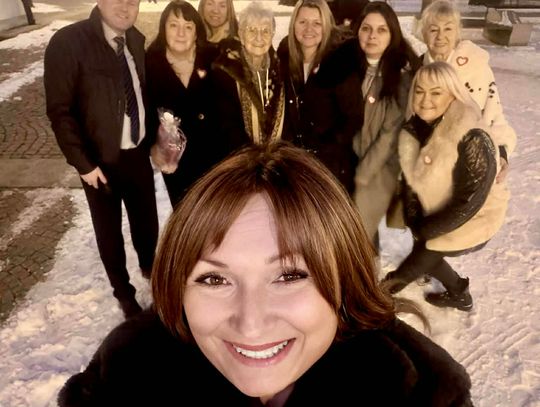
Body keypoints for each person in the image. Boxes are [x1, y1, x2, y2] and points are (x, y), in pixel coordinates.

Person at [57, 142, 473, 406]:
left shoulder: (420, 391)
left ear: (346, 282)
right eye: (214, 279)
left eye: (289, 276)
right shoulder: (123, 383)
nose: (250, 324)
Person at [44, 0, 158, 318]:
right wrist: (83, 163)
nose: (126, 6)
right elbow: (60, 111)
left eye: (133, 0)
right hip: (99, 163)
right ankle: (123, 293)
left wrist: (154, 137)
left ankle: (151, 270)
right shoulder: (69, 42)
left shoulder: (135, 39)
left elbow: (141, 93)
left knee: (147, 223)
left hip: (136, 153)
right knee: (109, 234)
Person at [384, 62, 509, 311]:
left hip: (474, 218)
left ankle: (381, 293)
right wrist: (414, 219)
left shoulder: (471, 136)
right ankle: (459, 292)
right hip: (436, 211)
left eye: (436, 92)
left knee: (425, 252)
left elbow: (468, 202)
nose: (425, 100)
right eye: (419, 91)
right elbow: (410, 183)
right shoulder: (415, 129)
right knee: (426, 252)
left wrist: (426, 229)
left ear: (453, 94)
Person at [419, 0, 516, 183]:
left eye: (448, 29)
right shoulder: (416, 71)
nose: (440, 36)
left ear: (457, 32)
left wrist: (502, 152)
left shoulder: (478, 69)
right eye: (433, 30)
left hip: (473, 170)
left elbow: (494, 114)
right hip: (427, 175)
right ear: (424, 34)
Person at [348, 1, 421, 244]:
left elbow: (390, 136)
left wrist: (363, 174)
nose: (372, 36)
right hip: (352, 160)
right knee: (357, 230)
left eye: (381, 30)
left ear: (392, 34)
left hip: (379, 167)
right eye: (366, 28)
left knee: (357, 231)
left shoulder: (400, 76)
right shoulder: (350, 66)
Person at [146, 1, 227, 208]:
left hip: (216, 159)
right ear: (163, 29)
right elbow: (143, 112)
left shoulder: (214, 58)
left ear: (197, 33)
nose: (181, 33)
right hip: (176, 162)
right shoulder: (149, 64)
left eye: (188, 27)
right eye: (174, 25)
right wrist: (154, 148)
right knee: (186, 217)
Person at [277, 0, 357, 192]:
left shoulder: (340, 60)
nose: (309, 29)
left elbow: (353, 117)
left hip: (329, 166)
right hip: (294, 162)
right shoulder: (285, 56)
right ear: (293, 24)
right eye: (303, 22)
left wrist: (329, 148)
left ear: (326, 26)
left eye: (317, 23)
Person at [212, 2, 285, 147]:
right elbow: (226, 127)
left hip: (276, 154)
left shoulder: (281, 70)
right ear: (241, 34)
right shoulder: (224, 72)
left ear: (273, 34)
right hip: (238, 154)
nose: (259, 37)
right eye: (252, 30)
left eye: (265, 31)